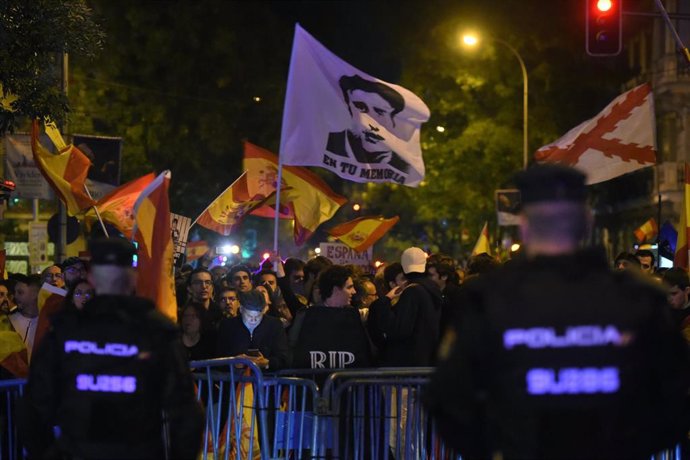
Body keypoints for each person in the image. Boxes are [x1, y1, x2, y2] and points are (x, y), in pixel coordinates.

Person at [426, 164, 690, 459]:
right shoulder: (637, 299)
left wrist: (499, 449)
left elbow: (448, 402)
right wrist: (626, 447)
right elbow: (676, 398)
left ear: (524, 226)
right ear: (587, 223)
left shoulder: (488, 300)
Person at [19, 237, 203, 459]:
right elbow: (186, 413)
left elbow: (33, 410)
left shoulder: (64, 330)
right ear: (133, 278)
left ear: (92, 278)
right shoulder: (157, 331)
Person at [289, 265, 373, 370]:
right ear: (336, 289)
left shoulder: (354, 315)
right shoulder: (305, 315)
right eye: (349, 287)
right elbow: (293, 349)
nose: (354, 292)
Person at [327, 74, 410, 174]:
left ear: (393, 121)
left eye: (380, 112)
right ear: (348, 108)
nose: (369, 122)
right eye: (361, 108)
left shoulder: (405, 166)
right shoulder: (327, 145)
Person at [216, 289, 288, 371]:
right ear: (241, 309)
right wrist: (234, 363)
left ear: (264, 311)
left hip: (267, 380)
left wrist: (267, 363)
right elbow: (218, 358)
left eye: (258, 317)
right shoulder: (227, 326)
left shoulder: (274, 325)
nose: (253, 320)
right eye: (249, 316)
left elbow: (283, 358)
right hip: (236, 380)